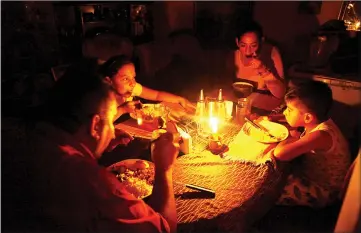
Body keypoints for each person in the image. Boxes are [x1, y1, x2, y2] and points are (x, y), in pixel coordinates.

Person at [21, 58, 179, 233]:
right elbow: (163, 229)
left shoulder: (31, 139)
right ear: (95, 126)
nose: (112, 132)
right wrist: (164, 169)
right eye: (110, 122)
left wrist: (95, 145)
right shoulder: (94, 183)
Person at [270, 80, 351, 208]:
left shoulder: (320, 135)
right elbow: (296, 119)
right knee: (278, 173)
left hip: (323, 191)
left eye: (289, 110)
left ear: (308, 118)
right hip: (311, 173)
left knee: (270, 190)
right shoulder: (318, 122)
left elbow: (280, 154)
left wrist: (290, 136)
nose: (285, 112)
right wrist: (273, 118)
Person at [99, 55, 195, 120]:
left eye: (133, 77)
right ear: (109, 81)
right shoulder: (101, 98)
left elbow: (156, 95)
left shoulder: (132, 87)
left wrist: (180, 99)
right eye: (125, 79)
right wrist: (122, 110)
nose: (132, 83)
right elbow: (100, 123)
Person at [233, 20, 286, 114]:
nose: (248, 51)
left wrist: (263, 70)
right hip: (240, 107)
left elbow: (280, 94)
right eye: (243, 45)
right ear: (237, 42)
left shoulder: (271, 53)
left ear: (261, 41)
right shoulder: (233, 56)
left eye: (253, 45)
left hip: (266, 111)